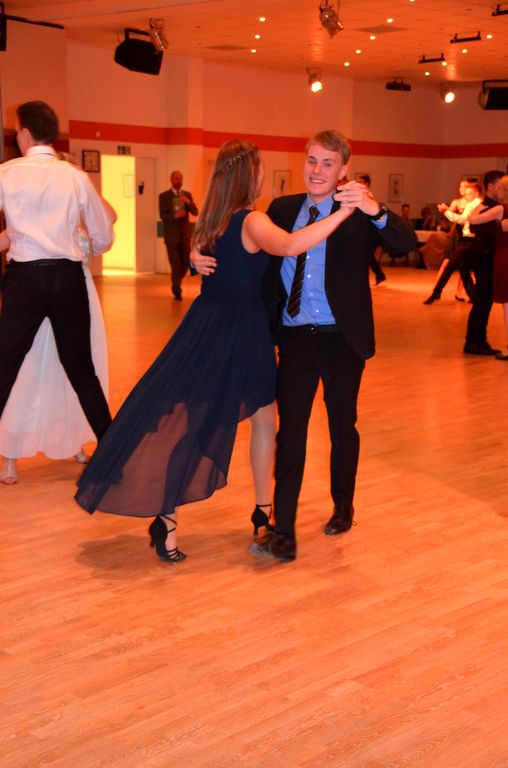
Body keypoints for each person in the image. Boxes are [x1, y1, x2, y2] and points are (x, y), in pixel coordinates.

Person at [75, 139, 356, 564]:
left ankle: (219, 516)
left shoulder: (212, 218)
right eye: (259, 167)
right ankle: (221, 513)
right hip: (239, 331)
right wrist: (343, 212)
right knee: (238, 423)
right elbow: (290, 246)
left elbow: (214, 259)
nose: (263, 173)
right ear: (249, 174)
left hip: (211, 328)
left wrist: (194, 257)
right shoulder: (252, 220)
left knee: (246, 420)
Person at [195, 130, 417, 562]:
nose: (317, 171)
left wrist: (374, 208)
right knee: (291, 431)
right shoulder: (282, 210)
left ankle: (343, 505)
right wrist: (196, 258)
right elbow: (245, 256)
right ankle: (284, 531)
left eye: (327, 163)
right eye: (312, 161)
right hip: (294, 337)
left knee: (341, 426)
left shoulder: (358, 212)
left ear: (344, 170)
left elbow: (405, 243)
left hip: (342, 339)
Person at [0, 101, 115, 484]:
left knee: (5, 367)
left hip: (24, 281)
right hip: (67, 280)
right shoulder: (74, 177)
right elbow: (103, 234)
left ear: (24, 133)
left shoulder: (7, 173)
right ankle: (113, 456)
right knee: (81, 370)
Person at [462, 170, 505, 355]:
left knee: (484, 300)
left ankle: (478, 341)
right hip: (484, 257)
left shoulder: (493, 206)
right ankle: (474, 342)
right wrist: (498, 226)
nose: (503, 190)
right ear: (490, 187)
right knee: (483, 300)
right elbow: (474, 226)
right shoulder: (486, 206)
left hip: (488, 256)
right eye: (500, 187)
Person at [422, 182, 482, 305]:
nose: (466, 196)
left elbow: (461, 219)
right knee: (465, 270)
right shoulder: (483, 204)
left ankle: (436, 293)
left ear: (476, 193)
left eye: (469, 193)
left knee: (450, 267)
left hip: (467, 241)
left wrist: (445, 211)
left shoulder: (471, 205)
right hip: (476, 241)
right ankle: (475, 296)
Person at [159, 171, 199, 300]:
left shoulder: (186, 195)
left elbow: (195, 212)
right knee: (175, 265)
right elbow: (163, 216)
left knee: (186, 263)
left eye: (180, 179)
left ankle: (175, 280)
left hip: (184, 236)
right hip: (171, 237)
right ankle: (177, 289)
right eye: (176, 179)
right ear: (171, 180)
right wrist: (175, 216)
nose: (179, 181)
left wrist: (188, 202)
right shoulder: (164, 196)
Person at [356, 174, 387, 285]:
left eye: (360, 182)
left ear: (366, 184)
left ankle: (377, 276)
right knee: (368, 256)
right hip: (364, 230)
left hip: (369, 231)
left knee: (366, 256)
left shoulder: (368, 196)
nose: (357, 183)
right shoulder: (363, 195)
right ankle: (380, 275)